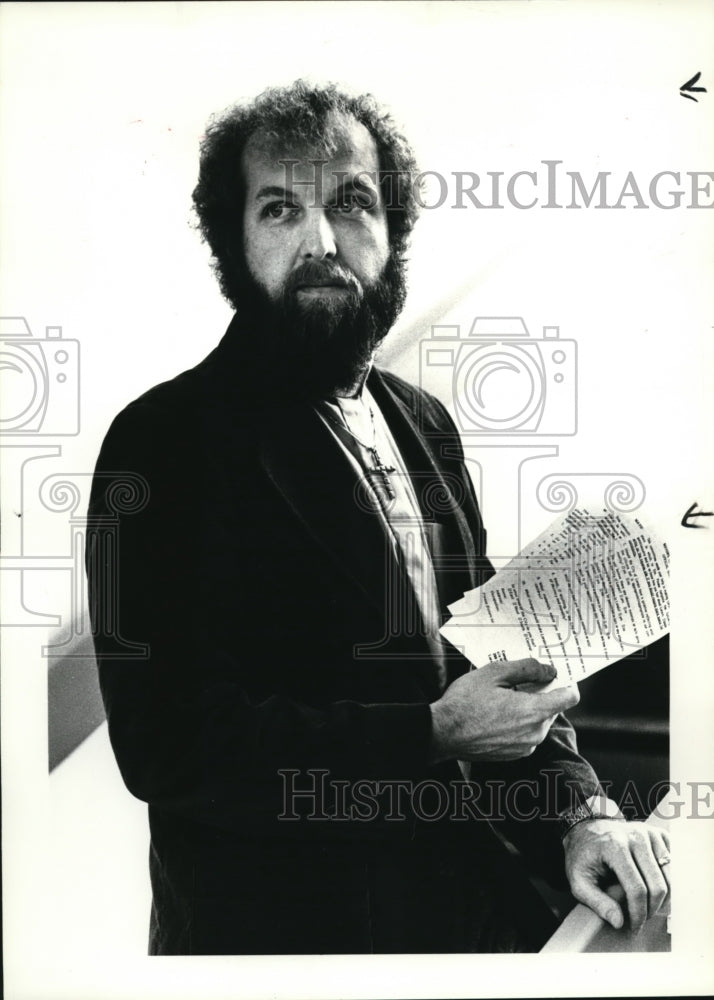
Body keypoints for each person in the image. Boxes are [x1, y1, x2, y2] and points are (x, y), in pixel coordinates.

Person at [86, 80, 670, 955]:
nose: (321, 242)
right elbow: (169, 748)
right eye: (280, 209)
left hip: (461, 910)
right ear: (234, 247)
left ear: (392, 232)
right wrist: (429, 733)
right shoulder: (162, 439)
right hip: (282, 949)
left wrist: (583, 814)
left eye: (350, 203)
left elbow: (499, 673)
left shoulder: (425, 423)